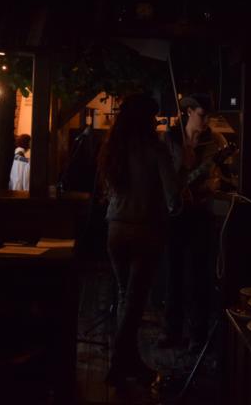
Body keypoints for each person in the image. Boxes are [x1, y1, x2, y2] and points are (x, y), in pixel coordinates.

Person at [98, 94, 181, 386]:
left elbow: (109, 191)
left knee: (126, 296)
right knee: (134, 300)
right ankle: (119, 364)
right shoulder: (155, 149)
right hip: (145, 230)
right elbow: (173, 196)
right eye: (153, 117)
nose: (156, 122)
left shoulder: (113, 148)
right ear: (145, 119)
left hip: (115, 229)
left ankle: (128, 360)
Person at [160, 93, 233, 352]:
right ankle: (172, 331)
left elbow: (226, 178)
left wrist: (215, 183)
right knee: (173, 274)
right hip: (173, 214)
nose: (206, 121)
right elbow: (162, 176)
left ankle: (197, 335)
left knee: (198, 276)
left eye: (209, 116)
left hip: (201, 213)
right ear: (188, 111)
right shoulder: (170, 139)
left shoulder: (216, 141)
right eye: (202, 115)